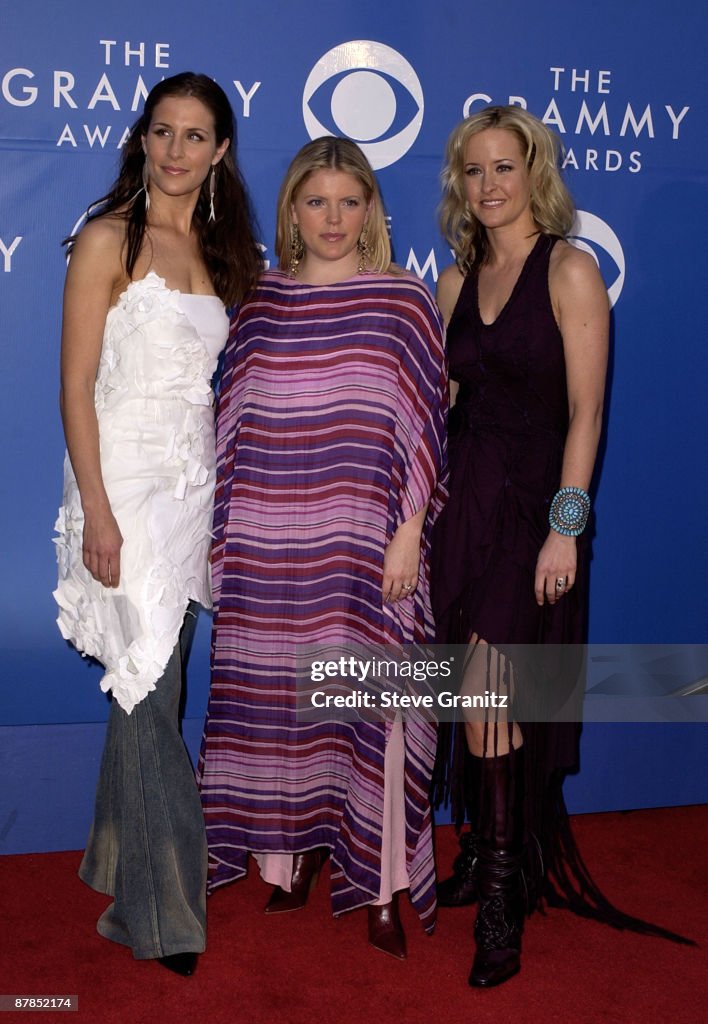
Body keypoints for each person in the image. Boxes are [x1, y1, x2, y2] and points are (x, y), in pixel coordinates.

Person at [197, 136, 448, 959]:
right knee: (278, 707)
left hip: (364, 544)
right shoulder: (260, 302)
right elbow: (230, 427)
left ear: (371, 210)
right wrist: (223, 537)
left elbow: (425, 431)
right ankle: (291, 857)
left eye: (350, 201)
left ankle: (379, 885)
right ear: (292, 213)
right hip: (271, 542)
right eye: (317, 202)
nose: (334, 219)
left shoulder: (405, 300)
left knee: (372, 707)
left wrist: (409, 530)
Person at [53, 72, 262, 975]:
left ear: (219, 152)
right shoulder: (106, 239)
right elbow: (74, 386)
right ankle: (168, 913)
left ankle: (112, 861)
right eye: (163, 132)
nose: (177, 152)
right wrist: (97, 512)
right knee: (145, 689)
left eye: (196, 136)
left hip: (192, 490)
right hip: (120, 488)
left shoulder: (227, 253)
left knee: (157, 688)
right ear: (143, 139)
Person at [430, 104, 632, 988]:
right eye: (475, 172)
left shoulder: (572, 271)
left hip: (533, 512)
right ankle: (481, 848)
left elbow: (588, 412)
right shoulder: (451, 279)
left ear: (533, 169)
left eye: (504, 167)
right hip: (464, 505)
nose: (490, 185)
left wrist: (567, 525)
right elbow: (440, 404)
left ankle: (507, 892)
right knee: (470, 695)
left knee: (491, 693)